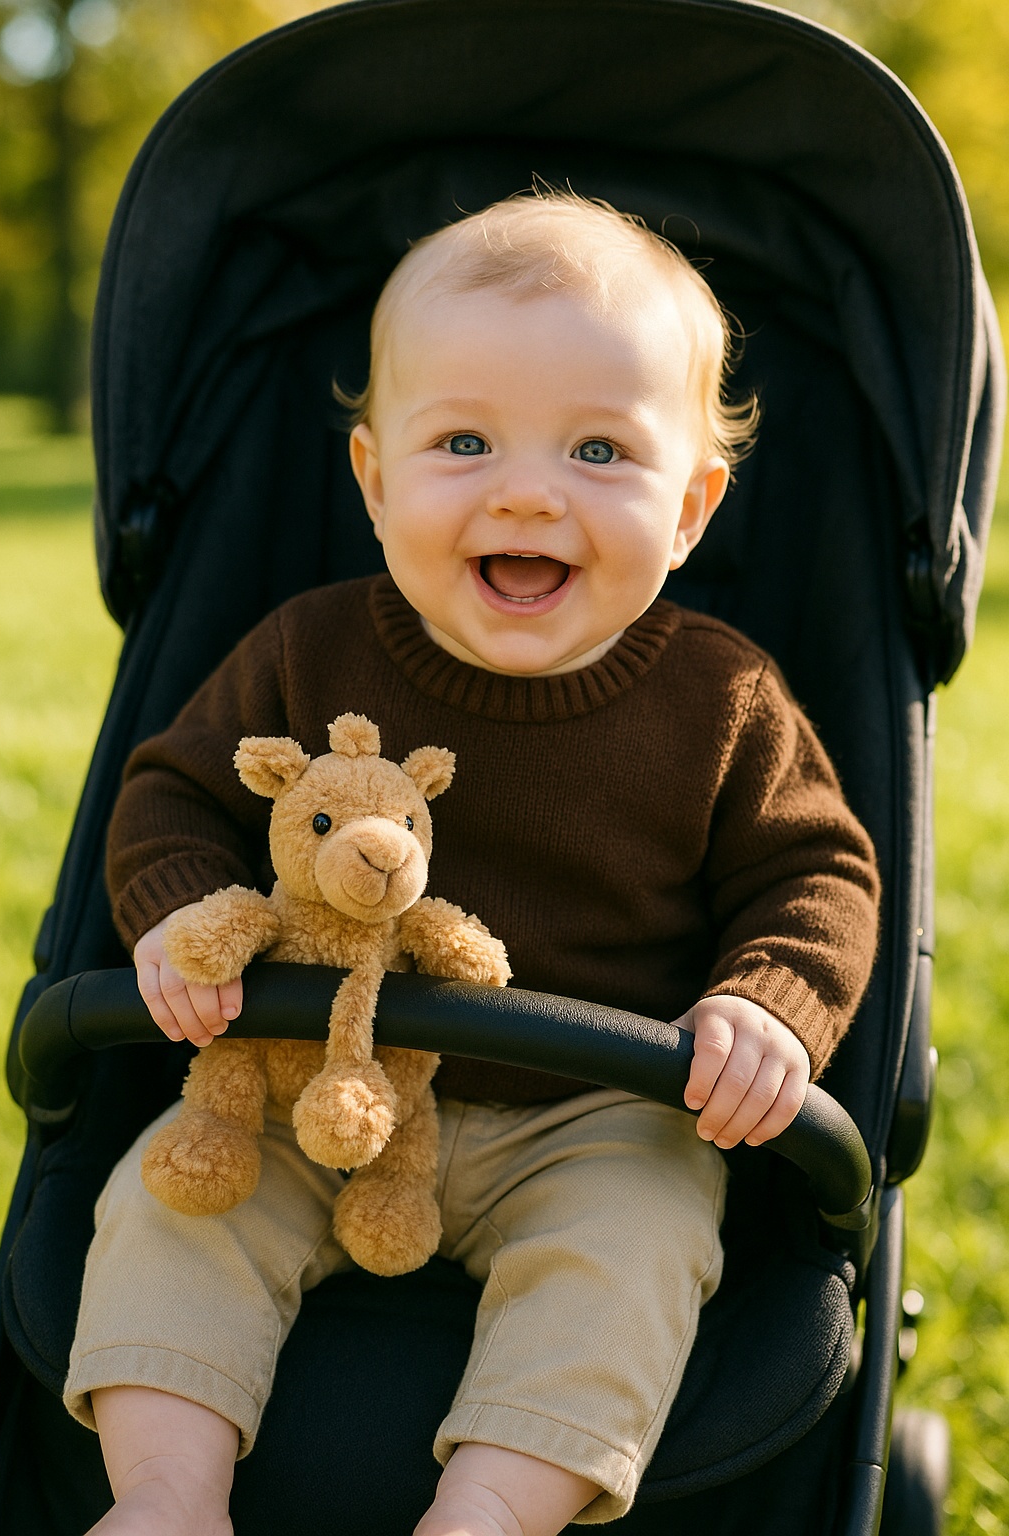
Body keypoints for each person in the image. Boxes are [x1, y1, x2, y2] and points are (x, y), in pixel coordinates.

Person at [64, 191, 880, 1535]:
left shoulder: (725, 701)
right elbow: (173, 796)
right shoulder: (301, 651)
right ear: (375, 482)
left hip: (593, 1111)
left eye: (600, 450)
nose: (525, 490)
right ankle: (164, 1495)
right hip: (318, 1076)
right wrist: (180, 913)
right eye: (464, 441)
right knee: (178, 1200)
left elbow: (819, 878)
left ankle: (492, 1510)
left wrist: (761, 1006)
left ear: (689, 509)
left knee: (638, 1238)